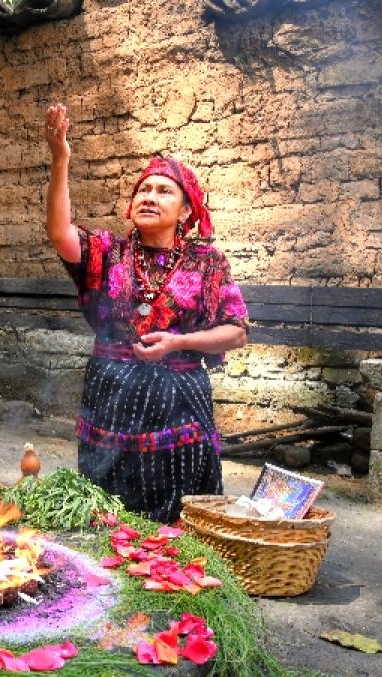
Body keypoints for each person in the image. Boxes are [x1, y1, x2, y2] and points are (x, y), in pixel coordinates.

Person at [44, 102, 249, 523]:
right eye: (144, 190)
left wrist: (180, 342)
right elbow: (60, 232)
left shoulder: (206, 263)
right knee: (109, 513)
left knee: (178, 510)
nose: (150, 198)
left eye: (164, 191)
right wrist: (60, 159)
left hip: (180, 399)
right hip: (111, 396)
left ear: (187, 210)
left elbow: (236, 332)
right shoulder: (108, 252)